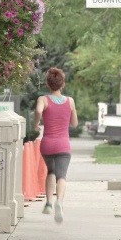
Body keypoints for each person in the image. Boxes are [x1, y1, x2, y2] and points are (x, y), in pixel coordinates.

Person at [34, 67, 78, 223]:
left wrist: (37, 123)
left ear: (48, 83)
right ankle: (59, 201)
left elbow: (39, 110)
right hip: (63, 145)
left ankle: (48, 203)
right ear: (63, 84)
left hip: (47, 144)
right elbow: (74, 124)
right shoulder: (70, 101)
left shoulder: (43, 100)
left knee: (51, 171)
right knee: (62, 175)